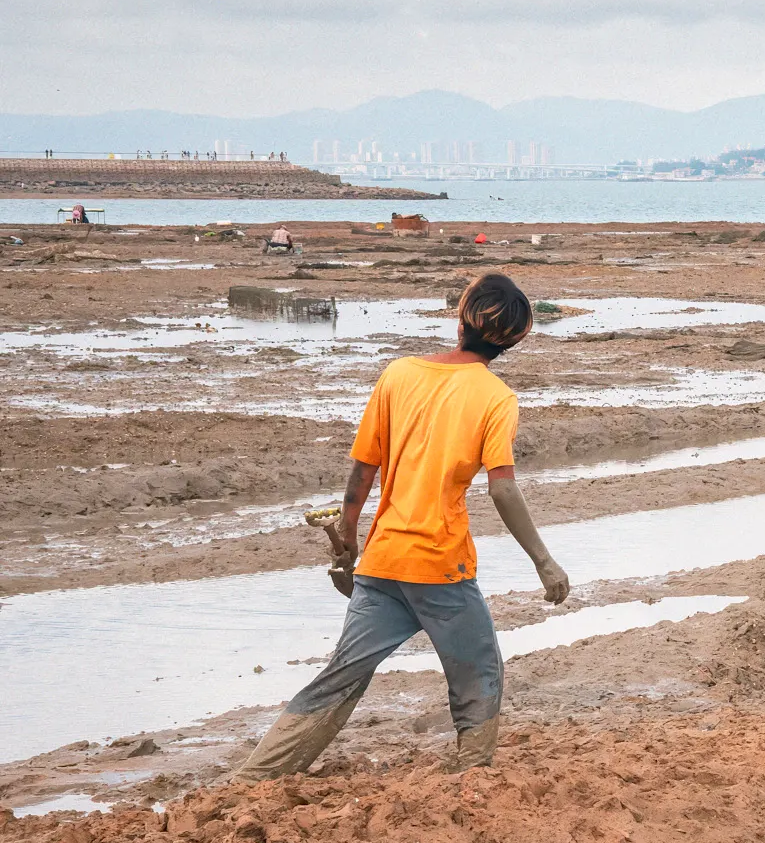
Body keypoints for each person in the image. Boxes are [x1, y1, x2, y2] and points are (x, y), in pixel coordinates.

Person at [235, 272, 570, 777]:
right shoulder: (496, 397)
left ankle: (256, 776)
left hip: (383, 559)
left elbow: (362, 470)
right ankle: (473, 774)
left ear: (461, 317)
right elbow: (501, 487)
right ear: (516, 339)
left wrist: (346, 545)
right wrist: (544, 563)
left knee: (341, 677)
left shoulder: (398, 374)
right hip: (440, 564)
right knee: (478, 673)